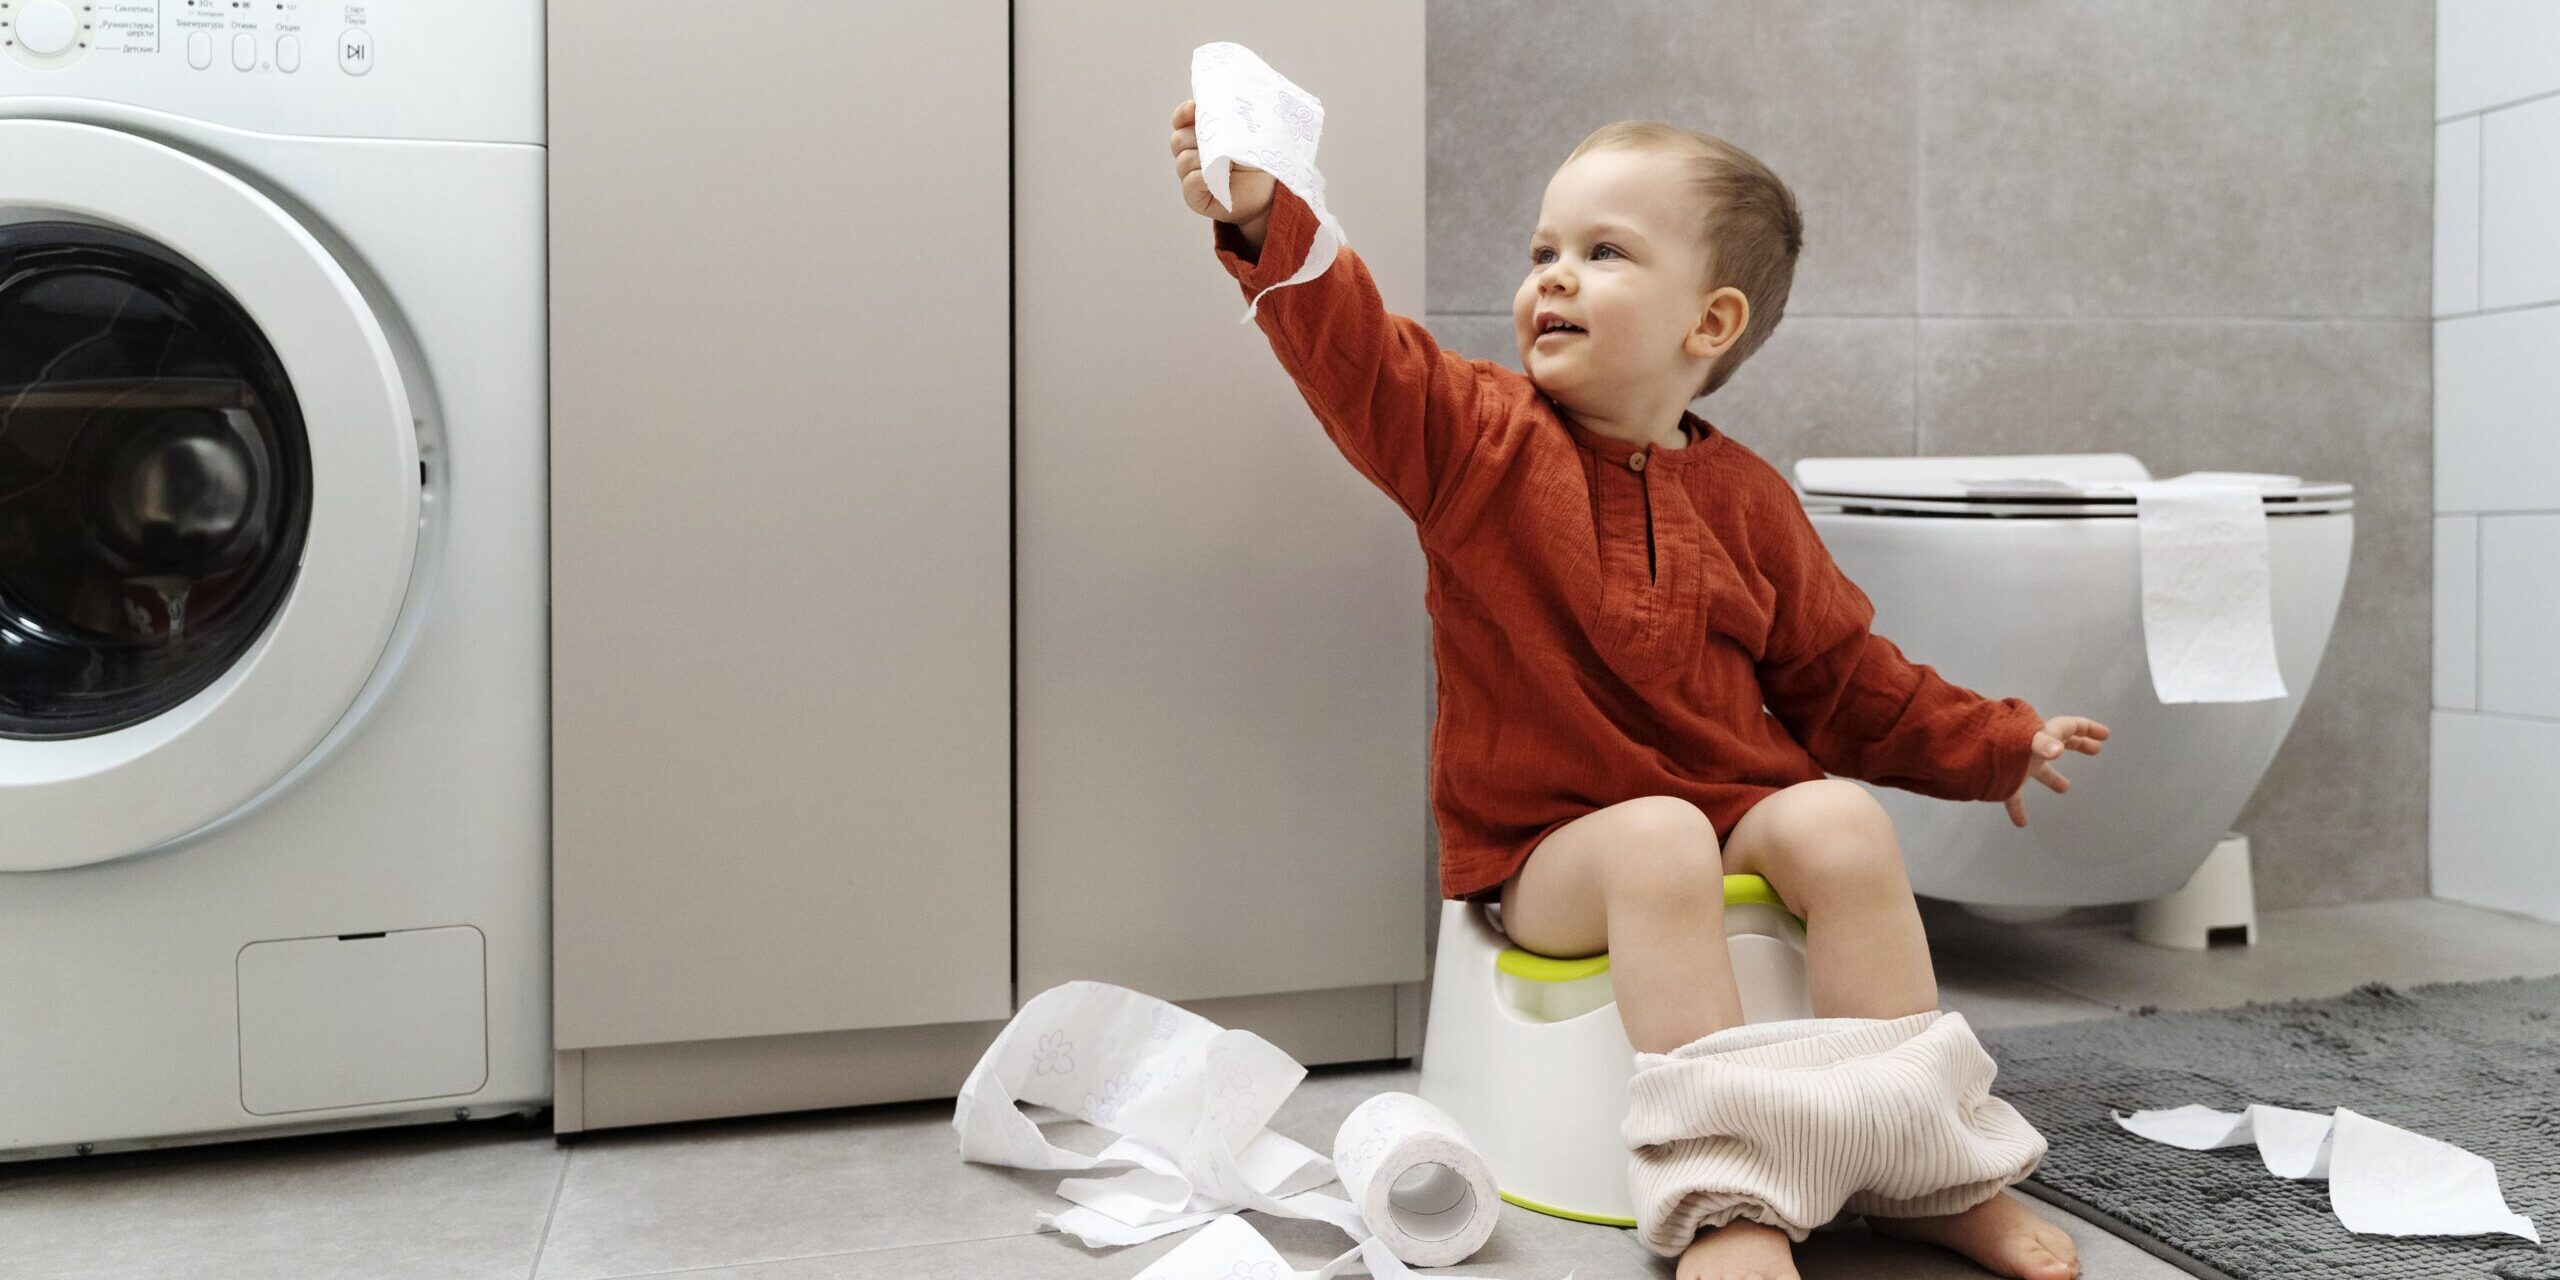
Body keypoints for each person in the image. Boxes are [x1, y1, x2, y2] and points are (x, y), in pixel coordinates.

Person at [1171, 100, 2105, 1280]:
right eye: (1543, 251)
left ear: (1709, 322)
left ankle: (1918, 1167)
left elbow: (1844, 679)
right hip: (1547, 848)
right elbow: (1357, 353)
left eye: (1602, 252)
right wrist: (1264, 217)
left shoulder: (1750, 499)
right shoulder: (1474, 439)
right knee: (1659, 838)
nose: (1553, 277)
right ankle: (1725, 1198)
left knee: (1840, 819)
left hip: (1720, 807)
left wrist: (1993, 742)